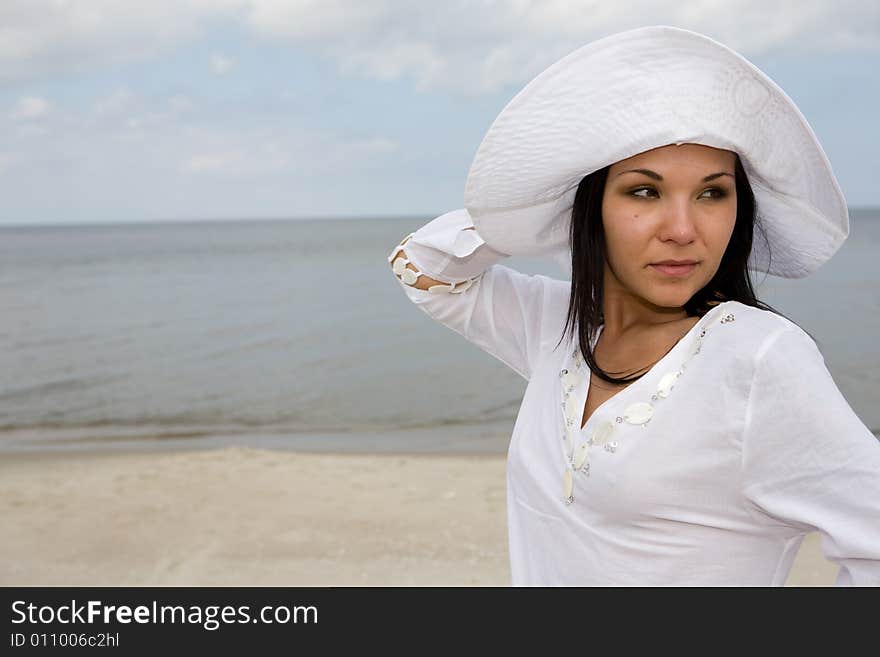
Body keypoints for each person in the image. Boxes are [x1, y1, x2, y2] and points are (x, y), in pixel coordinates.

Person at [387, 25, 880, 586]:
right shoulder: (561, 328)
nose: (682, 229)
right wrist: (531, 211)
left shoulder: (759, 359)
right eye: (644, 191)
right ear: (592, 204)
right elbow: (425, 268)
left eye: (712, 193)